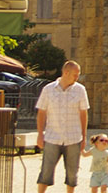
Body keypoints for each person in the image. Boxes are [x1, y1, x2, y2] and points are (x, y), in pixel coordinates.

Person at [36, 60, 90, 193]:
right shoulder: (48, 89)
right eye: (75, 75)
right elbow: (41, 112)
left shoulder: (80, 90)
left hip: (73, 138)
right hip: (52, 137)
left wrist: (84, 137)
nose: (77, 77)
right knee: (45, 172)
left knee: (72, 174)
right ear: (66, 73)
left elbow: (83, 113)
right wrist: (40, 134)